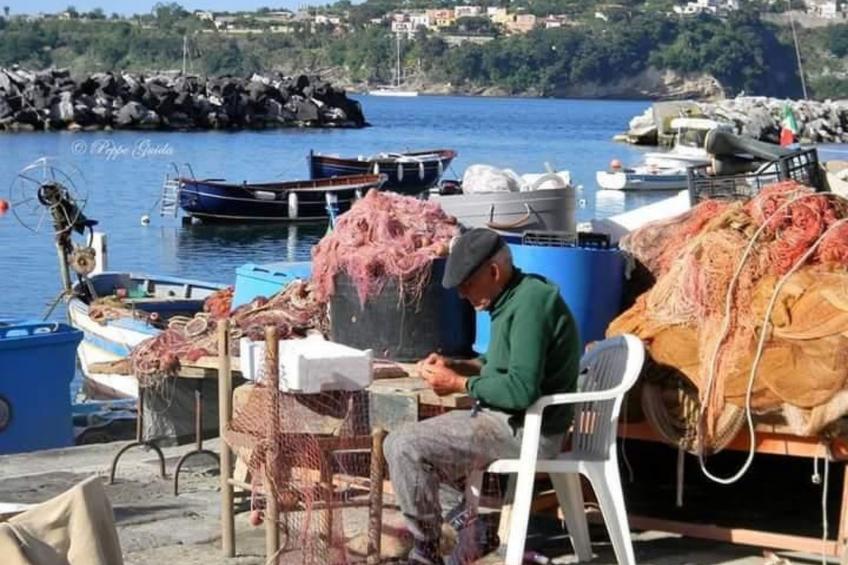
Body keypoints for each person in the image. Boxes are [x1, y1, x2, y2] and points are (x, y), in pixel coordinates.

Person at [384, 228, 582, 565]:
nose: (462, 294)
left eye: (467, 284)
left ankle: (428, 551)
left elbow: (520, 390)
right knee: (403, 447)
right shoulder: (514, 297)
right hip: (507, 418)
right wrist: (457, 365)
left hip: (527, 428)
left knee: (405, 446)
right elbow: (497, 363)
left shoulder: (531, 303)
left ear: (493, 272)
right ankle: (471, 526)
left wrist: (458, 384)